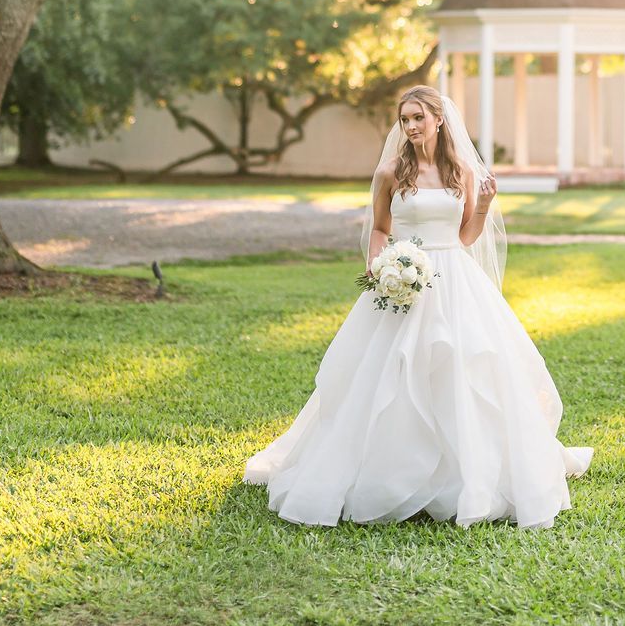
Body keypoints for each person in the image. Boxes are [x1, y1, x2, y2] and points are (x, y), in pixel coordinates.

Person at [242, 83, 594, 528]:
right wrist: (379, 267)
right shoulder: (390, 171)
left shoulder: (462, 171)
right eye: (404, 119)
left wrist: (482, 205)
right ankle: (386, 471)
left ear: (438, 119)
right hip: (402, 284)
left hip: (456, 284)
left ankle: (464, 476)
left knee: (465, 372)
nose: (410, 127)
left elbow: (465, 237)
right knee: (387, 375)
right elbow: (379, 229)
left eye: (418, 118)